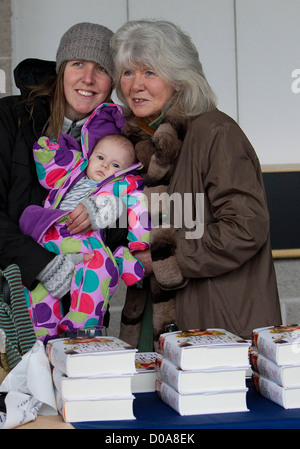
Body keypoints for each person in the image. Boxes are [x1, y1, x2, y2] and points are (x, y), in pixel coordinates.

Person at [110, 19, 282, 350]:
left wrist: (163, 260)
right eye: (128, 73)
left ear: (179, 78)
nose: (135, 85)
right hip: (157, 320)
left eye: (150, 72)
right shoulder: (144, 143)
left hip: (218, 326)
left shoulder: (215, 132)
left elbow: (245, 228)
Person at [0, 22, 125, 326]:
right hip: (10, 300)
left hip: (80, 308)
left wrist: (111, 209)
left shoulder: (119, 140)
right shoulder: (12, 117)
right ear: (61, 70)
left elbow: (128, 226)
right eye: (78, 64)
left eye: (101, 69)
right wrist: (41, 265)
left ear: (111, 82)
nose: (88, 78)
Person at [19, 130, 150, 342]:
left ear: (125, 171)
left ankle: (83, 325)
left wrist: (139, 241)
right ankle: (42, 332)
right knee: (40, 282)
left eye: (116, 165)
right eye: (100, 158)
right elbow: (49, 171)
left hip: (86, 241)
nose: (106, 166)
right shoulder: (74, 170)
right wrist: (47, 149)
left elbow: (138, 205)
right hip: (50, 236)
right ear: (89, 156)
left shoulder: (122, 185)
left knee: (101, 268)